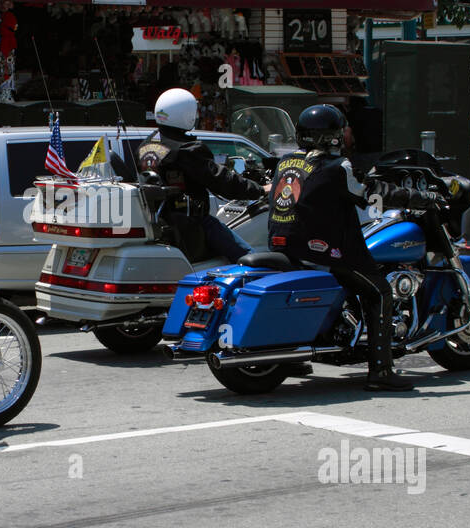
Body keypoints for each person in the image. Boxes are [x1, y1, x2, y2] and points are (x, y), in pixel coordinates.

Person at [268, 104, 444, 392]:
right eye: (341, 131)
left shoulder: (286, 162)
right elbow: (374, 194)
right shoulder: (339, 167)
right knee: (379, 292)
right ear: (332, 137)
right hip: (322, 249)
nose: (346, 135)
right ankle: (381, 371)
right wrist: (420, 197)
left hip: (284, 243)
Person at [136, 87, 265, 262]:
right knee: (252, 259)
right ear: (187, 114)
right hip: (193, 224)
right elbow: (222, 180)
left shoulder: (146, 146)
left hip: (162, 223)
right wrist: (260, 189)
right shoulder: (187, 149)